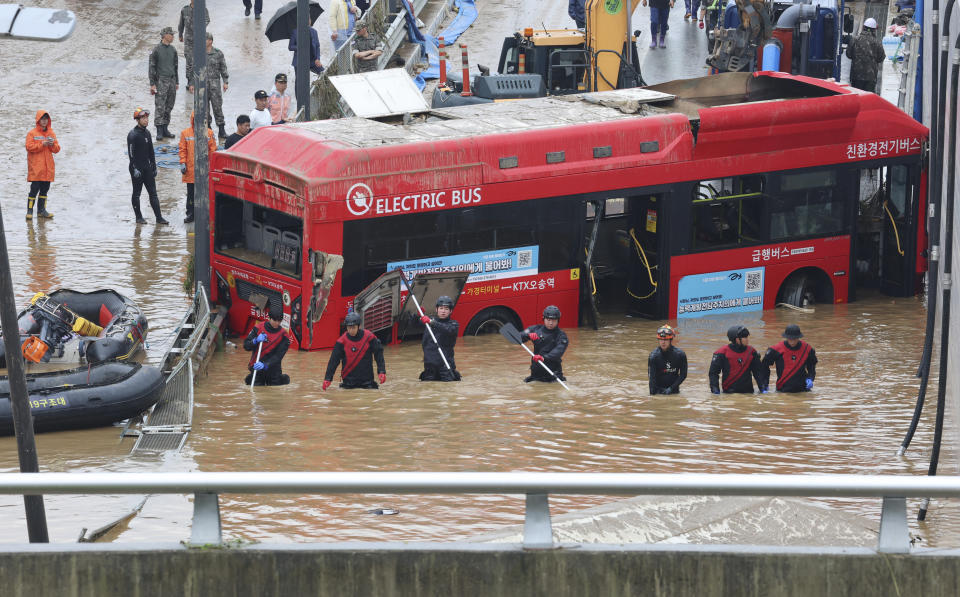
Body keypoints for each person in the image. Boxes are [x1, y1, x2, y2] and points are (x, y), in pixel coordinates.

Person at [323, 312, 387, 390]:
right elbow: (333, 361)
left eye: (353, 327)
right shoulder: (341, 342)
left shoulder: (369, 337)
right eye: (349, 327)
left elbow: (378, 353)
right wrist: (328, 379)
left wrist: (381, 371)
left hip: (367, 382)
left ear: (359, 326)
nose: (351, 330)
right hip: (348, 383)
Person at [127, 108, 168, 225]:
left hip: (147, 168)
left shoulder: (147, 133)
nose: (146, 120)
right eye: (143, 118)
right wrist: (134, 168)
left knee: (153, 193)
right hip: (137, 168)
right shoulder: (132, 135)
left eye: (147, 118)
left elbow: (151, 152)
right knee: (136, 193)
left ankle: (159, 218)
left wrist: (154, 166)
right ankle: (138, 217)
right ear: (137, 120)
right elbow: (131, 154)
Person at [188, 32, 229, 139]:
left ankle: (221, 129)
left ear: (210, 41)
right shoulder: (198, 53)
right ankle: (208, 130)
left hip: (215, 85)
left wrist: (225, 81)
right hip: (201, 85)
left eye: (205, 39)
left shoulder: (218, 53)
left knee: (217, 107)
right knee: (204, 109)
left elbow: (223, 68)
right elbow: (193, 69)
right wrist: (191, 83)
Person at [178, 111, 217, 224]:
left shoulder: (209, 133)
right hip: (190, 170)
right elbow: (182, 150)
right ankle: (190, 214)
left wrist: (211, 167)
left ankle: (204, 214)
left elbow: (213, 150)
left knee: (205, 193)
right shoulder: (185, 133)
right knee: (191, 194)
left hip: (205, 170)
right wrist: (182, 163)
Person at [708, 325, 767, 394]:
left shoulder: (752, 351)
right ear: (737, 339)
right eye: (745, 337)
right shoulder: (721, 353)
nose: (747, 339)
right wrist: (715, 391)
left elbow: (758, 372)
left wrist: (763, 389)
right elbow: (713, 373)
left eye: (747, 336)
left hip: (748, 393)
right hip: (728, 394)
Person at [243, 304, 291, 386]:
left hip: (273, 370)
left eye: (279, 321)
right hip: (257, 366)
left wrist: (265, 365)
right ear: (269, 318)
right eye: (274, 320)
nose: (277, 323)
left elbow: (278, 356)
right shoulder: (258, 328)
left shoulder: (284, 336)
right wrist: (255, 340)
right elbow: (246, 346)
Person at [760, 324, 817, 393]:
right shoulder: (775, 349)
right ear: (786, 337)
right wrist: (764, 385)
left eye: (794, 339)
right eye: (790, 339)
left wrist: (810, 378)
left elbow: (811, 366)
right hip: (782, 390)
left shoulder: (807, 349)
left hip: (803, 390)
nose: (792, 341)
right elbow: (764, 366)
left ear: (799, 337)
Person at [25, 110, 60, 220]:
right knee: (34, 189)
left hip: (47, 168)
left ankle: (42, 211)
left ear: (48, 120)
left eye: (46, 119)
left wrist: (52, 144)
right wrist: (42, 144)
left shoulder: (51, 133)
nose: (44, 121)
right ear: (38, 120)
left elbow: (57, 149)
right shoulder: (32, 133)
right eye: (42, 119)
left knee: (45, 189)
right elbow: (29, 147)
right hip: (36, 168)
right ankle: (29, 211)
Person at [521, 305, 569, 383]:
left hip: (553, 375)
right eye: (548, 319)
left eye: (554, 320)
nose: (551, 323)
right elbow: (518, 337)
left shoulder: (561, 336)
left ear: (558, 320)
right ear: (543, 318)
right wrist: (527, 336)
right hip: (536, 374)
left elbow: (558, 351)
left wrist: (544, 358)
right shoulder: (535, 329)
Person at [419, 295, 461, 382]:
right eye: (441, 308)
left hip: (445, 367)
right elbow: (412, 324)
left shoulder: (453, 325)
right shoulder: (429, 321)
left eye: (446, 309)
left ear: (450, 311)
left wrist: (431, 322)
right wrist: (417, 315)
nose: (443, 311)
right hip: (429, 367)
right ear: (436, 309)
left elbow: (446, 329)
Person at [149, 27, 179, 140]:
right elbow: (151, 67)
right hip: (161, 80)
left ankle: (166, 128)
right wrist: (152, 83)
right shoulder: (156, 50)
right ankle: (159, 130)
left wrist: (177, 81)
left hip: (171, 80)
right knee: (160, 106)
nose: (173, 36)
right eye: (171, 34)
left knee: (169, 105)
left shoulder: (173, 50)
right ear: (165, 35)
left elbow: (175, 66)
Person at [845, 17, 886, 92]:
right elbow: (881, 58)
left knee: (856, 96)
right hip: (871, 77)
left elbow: (848, 54)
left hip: (856, 76)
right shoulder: (877, 42)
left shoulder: (855, 39)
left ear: (863, 27)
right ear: (874, 30)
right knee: (868, 99)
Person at [648, 325, 687, 395]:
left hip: (674, 390)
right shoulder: (653, 356)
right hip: (658, 391)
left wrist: (671, 388)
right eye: (661, 339)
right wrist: (652, 396)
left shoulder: (680, 354)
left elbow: (683, 375)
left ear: (671, 340)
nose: (663, 342)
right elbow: (651, 379)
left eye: (666, 340)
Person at [178, 0, 210, 85]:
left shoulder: (203, 9)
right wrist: (180, 34)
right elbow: (181, 23)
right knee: (189, 61)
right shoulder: (185, 10)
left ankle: (200, 79)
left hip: (199, 39)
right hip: (188, 40)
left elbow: (207, 20)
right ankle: (190, 82)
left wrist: (200, 26)